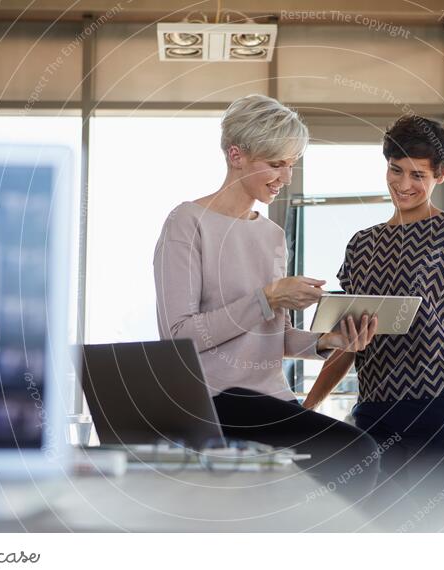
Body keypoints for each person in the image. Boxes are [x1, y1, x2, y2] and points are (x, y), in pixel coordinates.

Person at [153, 94, 380, 506]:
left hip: (271, 398)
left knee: (330, 478)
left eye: (292, 164)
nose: (286, 177)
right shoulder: (186, 222)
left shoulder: (271, 235)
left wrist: (327, 343)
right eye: (276, 164)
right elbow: (179, 336)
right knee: (356, 453)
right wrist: (268, 297)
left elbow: (272, 334)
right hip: (215, 399)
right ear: (236, 155)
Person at [304, 114, 444, 531]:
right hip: (374, 414)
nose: (403, 184)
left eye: (418, 174)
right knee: (379, 540)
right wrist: (307, 407)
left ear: (442, 174)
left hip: (440, 411)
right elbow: (348, 341)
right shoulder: (361, 244)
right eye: (396, 170)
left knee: (440, 542)